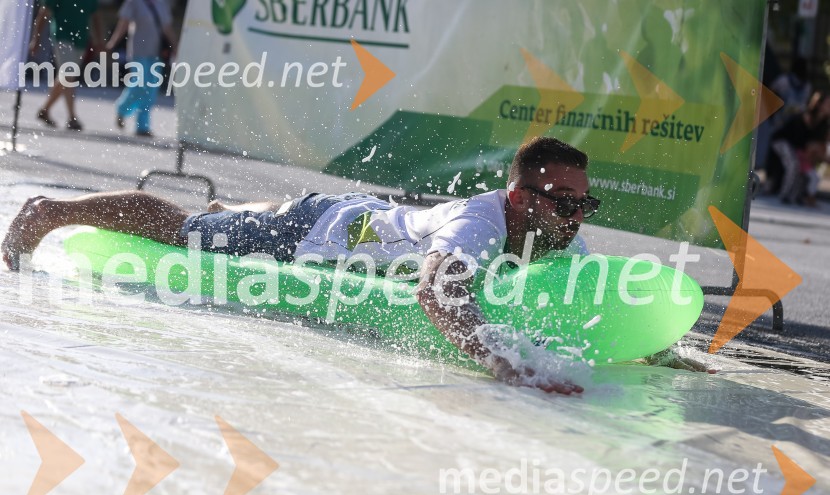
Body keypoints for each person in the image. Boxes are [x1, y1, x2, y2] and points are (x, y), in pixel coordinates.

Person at [1, 137, 710, 393]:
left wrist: (657, 347)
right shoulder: (480, 220)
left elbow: (585, 299)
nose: (576, 217)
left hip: (362, 219)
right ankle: (48, 210)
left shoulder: (557, 235)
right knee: (189, 231)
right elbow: (438, 294)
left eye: (586, 205)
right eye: (564, 203)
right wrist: (504, 362)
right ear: (522, 194)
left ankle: (261, 207)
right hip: (320, 234)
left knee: (239, 218)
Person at [105, 0, 177, 137]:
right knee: (139, 84)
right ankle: (122, 108)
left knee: (151, 90)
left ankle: (142, 126)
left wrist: (175, 46)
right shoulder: (134, 2)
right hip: (138, 52)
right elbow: (123, 23)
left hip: (156, 54)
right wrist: (113, 42)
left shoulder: (162, 3)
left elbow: (167, 27)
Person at [29, 0, 103, 131]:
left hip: (81, 39)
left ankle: (46, 109)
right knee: (68, 74)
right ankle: (72, 117)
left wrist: (98, 40)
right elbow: (43, 13)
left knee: (68, 77)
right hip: (62, 36)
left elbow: (95, 16)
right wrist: (36, 39)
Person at [766, 91, 830, 204]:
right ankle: (785, 194)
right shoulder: (808, 115)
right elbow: (801, 138)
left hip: (798, 146)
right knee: (793, 164)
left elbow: (818, 146)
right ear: (819, 104)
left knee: (803, 168)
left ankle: (795, 196)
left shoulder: (823, 125)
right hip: (783, 140)